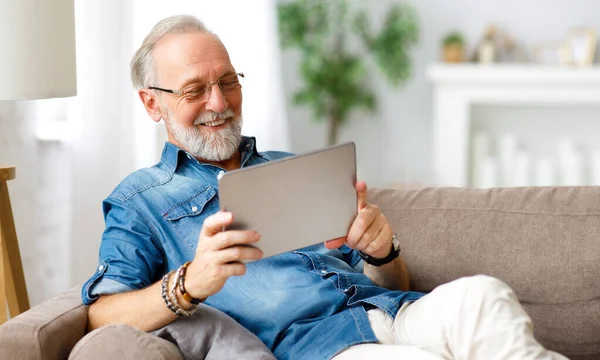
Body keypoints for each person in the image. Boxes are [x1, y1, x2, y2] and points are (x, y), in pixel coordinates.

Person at [82, 15, 569, 360]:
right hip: (326, 346)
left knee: (483, 296)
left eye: (228, 81)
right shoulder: (140, 200)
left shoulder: (293, 168)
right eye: (194, 90)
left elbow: (390, 281)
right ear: (152, 104)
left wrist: (382, 252)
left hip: (395, 313)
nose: (219, 102)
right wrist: (189, 283)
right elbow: (100, 317)